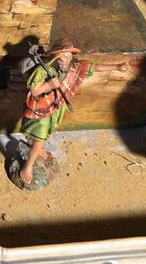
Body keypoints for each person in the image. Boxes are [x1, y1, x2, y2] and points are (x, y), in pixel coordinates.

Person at [18, 38, 91, 185]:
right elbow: (34, 90)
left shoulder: (71, 68)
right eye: (62, 54)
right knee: (39, 140)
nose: (65, 57)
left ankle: (37, 148)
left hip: (55, 108)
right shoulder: (43, 70)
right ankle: (28, 167)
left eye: (68, 54)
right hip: (41, 111)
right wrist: (48, 85)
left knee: (42, 136)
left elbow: (91, 69)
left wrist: (118, 66)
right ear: (55, 55)